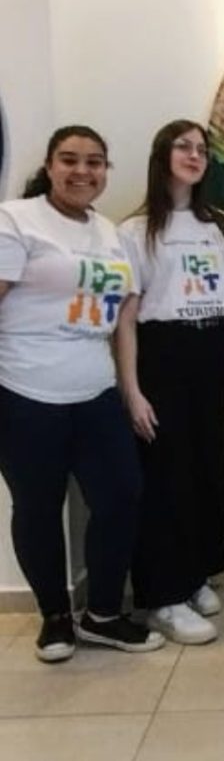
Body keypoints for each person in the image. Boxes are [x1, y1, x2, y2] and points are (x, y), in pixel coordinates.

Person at [0, 126, 164, 661]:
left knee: (121, 495)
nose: (82, 172)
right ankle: (54, 618)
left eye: (94, 162)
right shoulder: (16, 219)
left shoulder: (109, 232)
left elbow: (122, 322)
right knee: (37, 507)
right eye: (69, 160)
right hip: (24, 391)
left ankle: (103, 614)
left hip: (95, 391)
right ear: (49, 166)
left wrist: (132, 391)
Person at [116, 120, 224, 644]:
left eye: (202, 149)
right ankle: (163, 597)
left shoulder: (215, 223)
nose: (194, 155)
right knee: (165, 476)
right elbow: (124, 317)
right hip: (162, 355)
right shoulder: (135, 229)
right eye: (183, 147)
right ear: (161, 156)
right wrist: (132, 390)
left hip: (211, 351)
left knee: (205, 469)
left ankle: (192, 575)